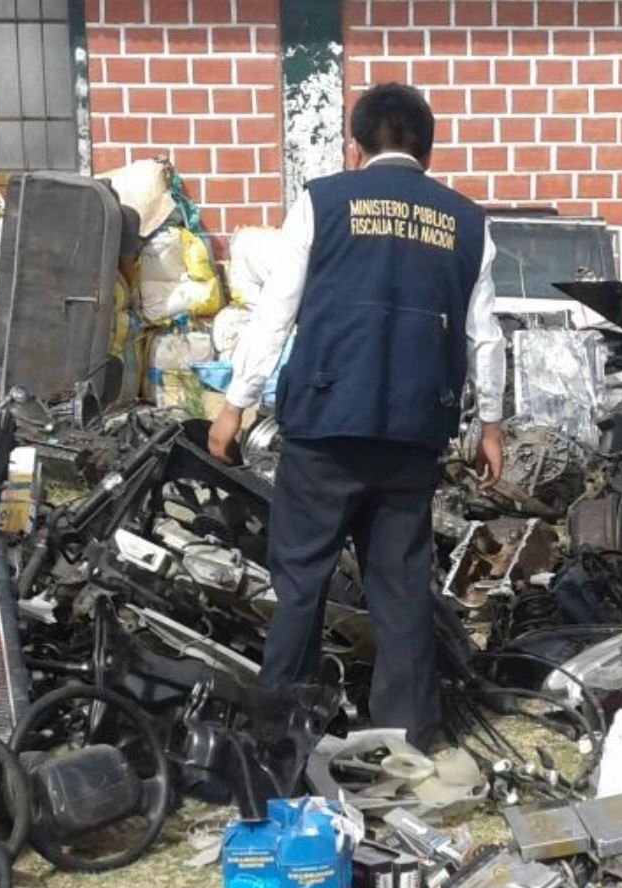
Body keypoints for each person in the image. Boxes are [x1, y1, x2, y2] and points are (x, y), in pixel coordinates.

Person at [208, 83, 505, 749]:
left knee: (301, 580)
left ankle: (283, 729)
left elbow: (276, 312)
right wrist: (490, 425)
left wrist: (235, 405)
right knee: (400, 587)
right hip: (412, 433)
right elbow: (485, 334)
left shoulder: (322, 202)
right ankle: (408, 734)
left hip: (325, 427)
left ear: (356, 144)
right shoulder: (467, 220)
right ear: (428, 149)